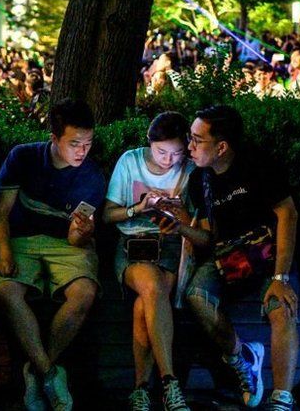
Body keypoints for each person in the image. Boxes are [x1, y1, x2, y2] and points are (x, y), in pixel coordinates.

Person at [173, 105, 300, 410]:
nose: (188, 146)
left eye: (196, 140)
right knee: (196, 296)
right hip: (230, 258)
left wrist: (281, 277)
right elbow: (209, 238)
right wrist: (179, 227)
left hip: (269, 255)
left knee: (281, 306)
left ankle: (282, 397)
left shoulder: (258, 165)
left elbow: (288, 214)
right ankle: (243, 357)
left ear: (222, 147)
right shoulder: (199, 181)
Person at [0, 99, 106, 411]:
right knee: (7, 291)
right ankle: (50, 373)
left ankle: (37, 371)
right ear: (54, 138)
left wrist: (82, 232)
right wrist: (4, 253)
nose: (82, 151)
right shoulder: (23, 157)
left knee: (84, 293)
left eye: (88, 143)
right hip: (21, 240)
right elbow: (0, 214)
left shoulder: (92, 176)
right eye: (75, 143)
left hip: (64, 245)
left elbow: (75, 238)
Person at [102, 112, 194, 411]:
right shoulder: (130, 161)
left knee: (146, 304)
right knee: (153, 288)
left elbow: (195, 222)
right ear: (150, 143)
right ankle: (170, 381)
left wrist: (179, 215)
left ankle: (141, 388)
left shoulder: (189, 170)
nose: (169, 160)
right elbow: (107, 214)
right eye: (162, 152)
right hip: (134, 238)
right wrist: (139, 208)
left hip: (169, 241)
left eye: (178, 153)